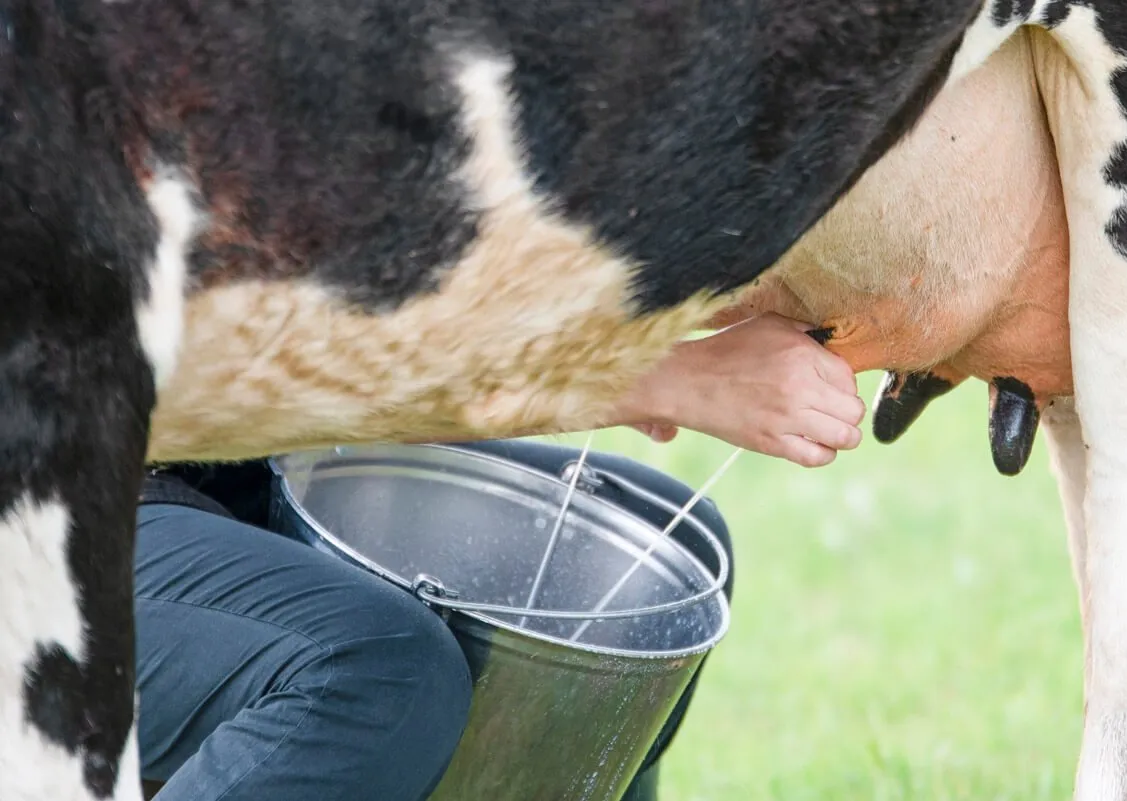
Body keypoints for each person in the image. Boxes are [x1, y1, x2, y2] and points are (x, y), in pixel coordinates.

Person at [134, 313, 866, 801]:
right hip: (61, 491)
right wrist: (659, 374)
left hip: (236, 461)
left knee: (665, 560)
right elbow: (225, 364)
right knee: (382, 666)